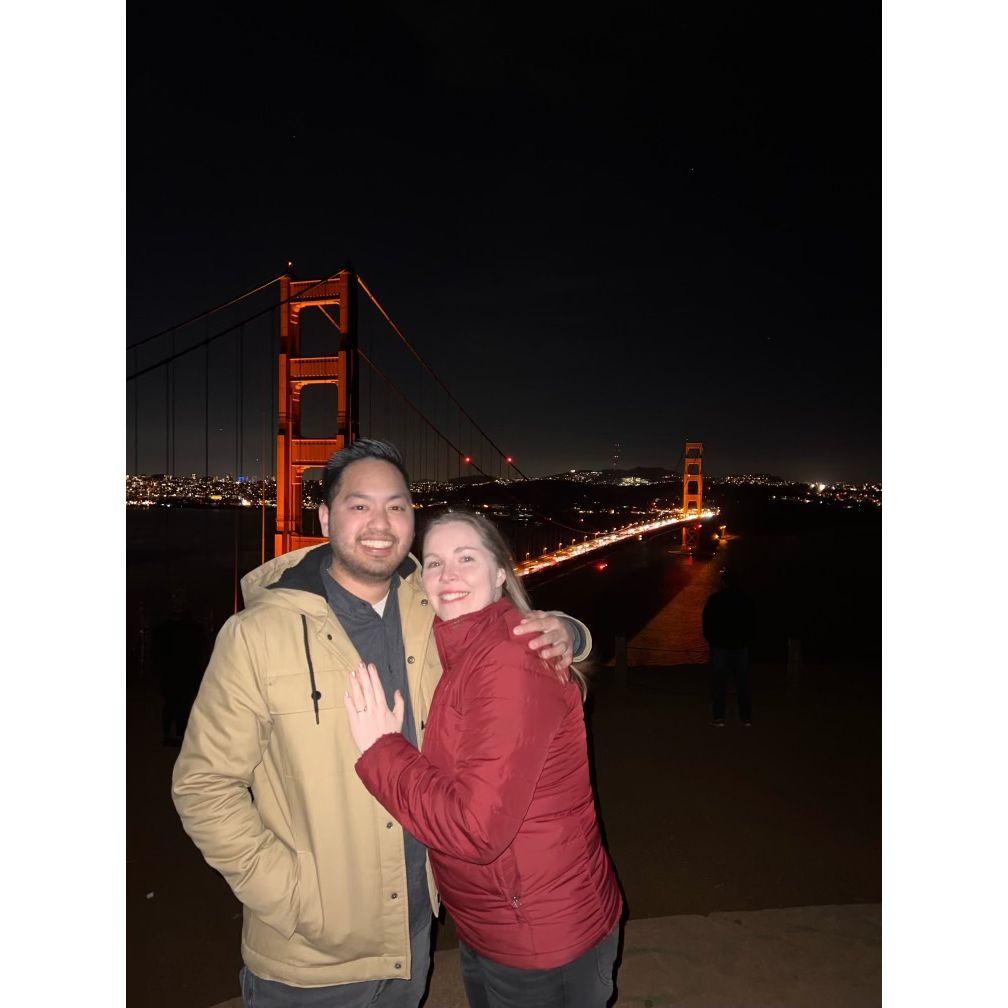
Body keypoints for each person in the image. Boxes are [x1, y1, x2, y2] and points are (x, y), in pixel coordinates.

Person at [172, 440, 590, 1008]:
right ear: (323, 517)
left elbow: (506, 638)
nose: (380, 523)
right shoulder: (255, 637)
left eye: (396, 506)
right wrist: (292, 896)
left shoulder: (437, 605)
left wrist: (567, 629)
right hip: (308, 960)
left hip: (413, 935)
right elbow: (202, 786)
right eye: (358, 505)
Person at [344, 509, 622, 1008]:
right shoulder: (466, 643)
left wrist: (380, 749)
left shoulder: (509, 660)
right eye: (433, 563)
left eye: (466, 558)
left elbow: (476, 829)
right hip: (497, 919)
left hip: (541, 936)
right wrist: (573, 630)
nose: (447, 576)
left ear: (500, 574)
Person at [151, 588, 208, 746]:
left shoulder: (192, 628)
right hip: (174, 673)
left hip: (185, 672)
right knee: (174, 704)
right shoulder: (166, 628)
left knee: (182, 704)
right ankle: (172, 734)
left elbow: (201, 650)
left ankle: (179, 734)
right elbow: (157, 653)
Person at [701, 568, 756, 726]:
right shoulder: (745, 599)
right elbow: (752, 622)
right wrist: (748, 640)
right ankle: (746, 717)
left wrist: (712, 640)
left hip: (720, 646)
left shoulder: (714, 599)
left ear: (723, 583)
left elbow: (707, 622)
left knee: (719, 683)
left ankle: (719, 717)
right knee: (743, 682)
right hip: (740, 645)